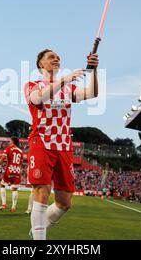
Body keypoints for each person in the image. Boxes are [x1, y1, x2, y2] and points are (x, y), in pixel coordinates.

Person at [24, 48, 99, 240]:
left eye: (58, 57)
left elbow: (92, 93)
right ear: (41, 64)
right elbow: (38, 98)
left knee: (65, 203)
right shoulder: (32, 85)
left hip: (64, 146)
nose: (56, 59)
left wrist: (93, 70)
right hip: (41, 142)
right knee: (42, 192)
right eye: (51, 57)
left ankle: (37, 229)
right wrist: (64, 80)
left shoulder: (68, 90)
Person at [0, 136, 24, 212]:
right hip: (17, 170)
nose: (9, 142)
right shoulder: (20, 151)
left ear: (13, 142)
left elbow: (2, 159)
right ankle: (13, 207)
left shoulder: (8, 149)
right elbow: (21, 162)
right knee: (14, 189)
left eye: (10, 141)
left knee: (2, 185)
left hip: (9, 169)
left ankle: (4, 204)